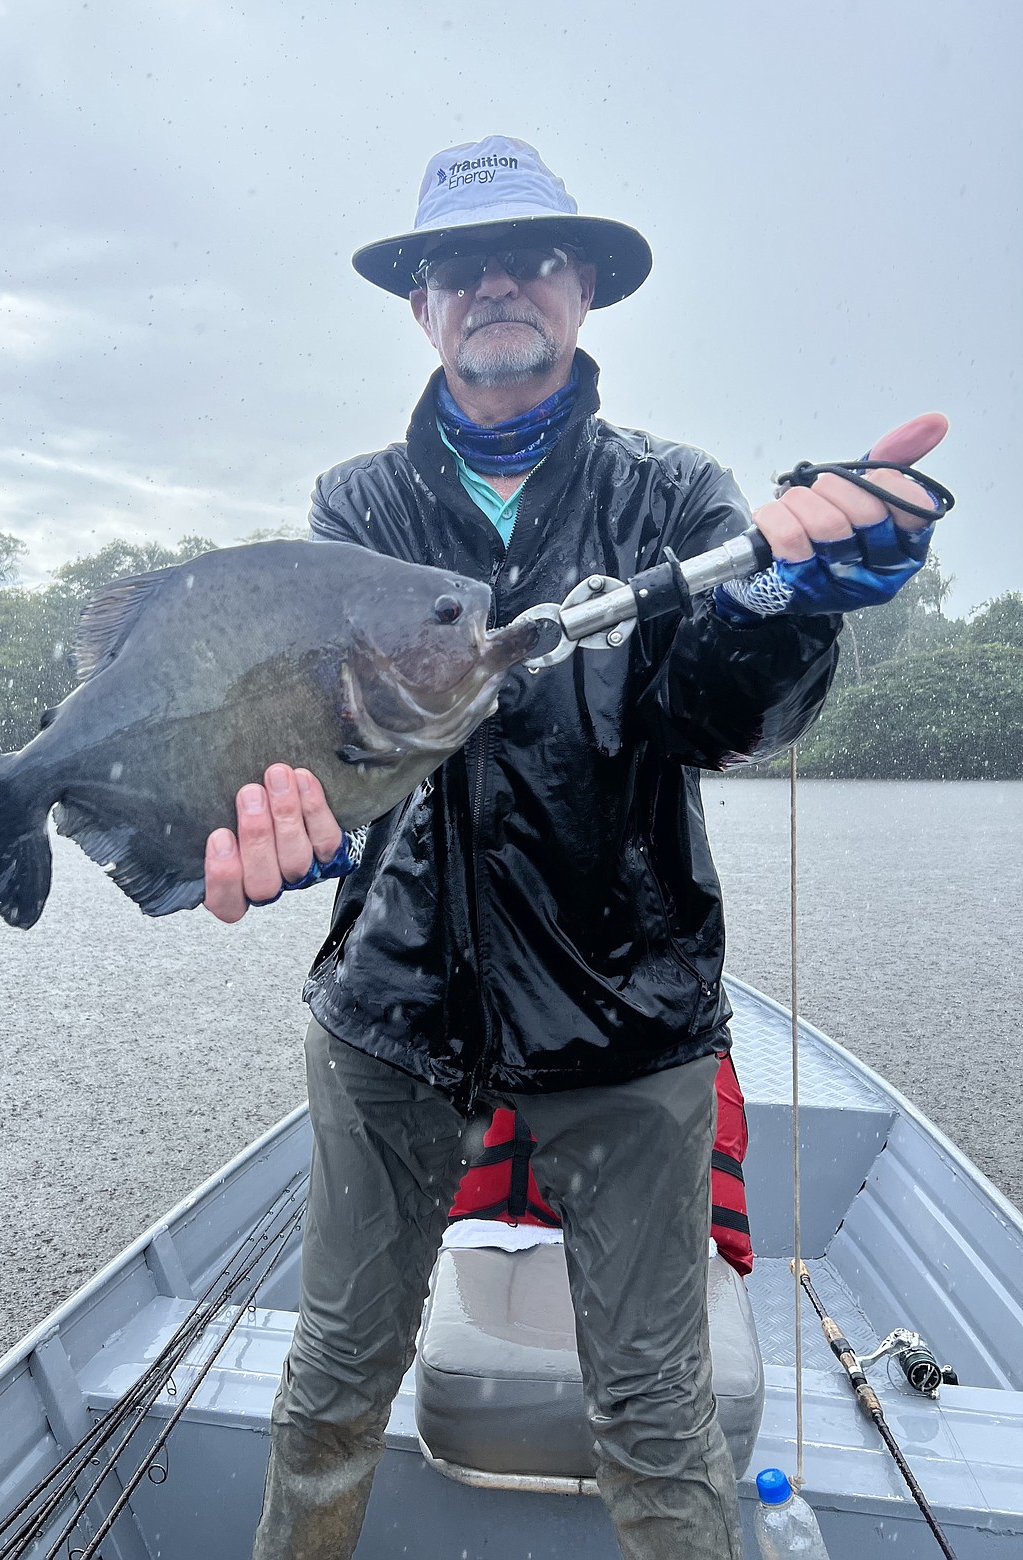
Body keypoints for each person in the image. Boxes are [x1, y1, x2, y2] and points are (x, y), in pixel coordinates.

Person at [202, 136, 946, 1560]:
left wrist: (791, 600)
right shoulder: (357, 503)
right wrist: (298, 813)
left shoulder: (675, 493)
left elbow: (721, 718)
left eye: (528, 256)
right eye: (451, 264)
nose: (490, 284)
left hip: (628, 1014)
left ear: (584, 286)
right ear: (417, 305)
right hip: (391, 1012)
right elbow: (344, 741)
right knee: (333, 1384)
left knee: (658, 1411)